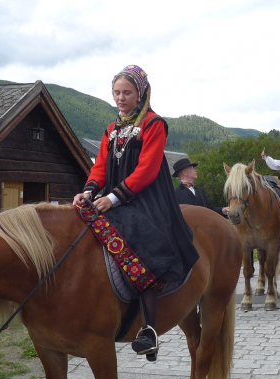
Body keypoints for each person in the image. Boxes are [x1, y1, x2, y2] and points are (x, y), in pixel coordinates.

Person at [72, 65, 199, 361]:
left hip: (147, 198)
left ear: (140, 93)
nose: (120, 98)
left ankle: (149, 329)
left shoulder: (154, 124)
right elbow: (100, 167)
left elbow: (148, 169)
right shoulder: (111, 129)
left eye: (127, 93)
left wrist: (114, 198)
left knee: (143, 246)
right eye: (116, 92)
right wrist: (89, 191)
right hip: (113, 196)